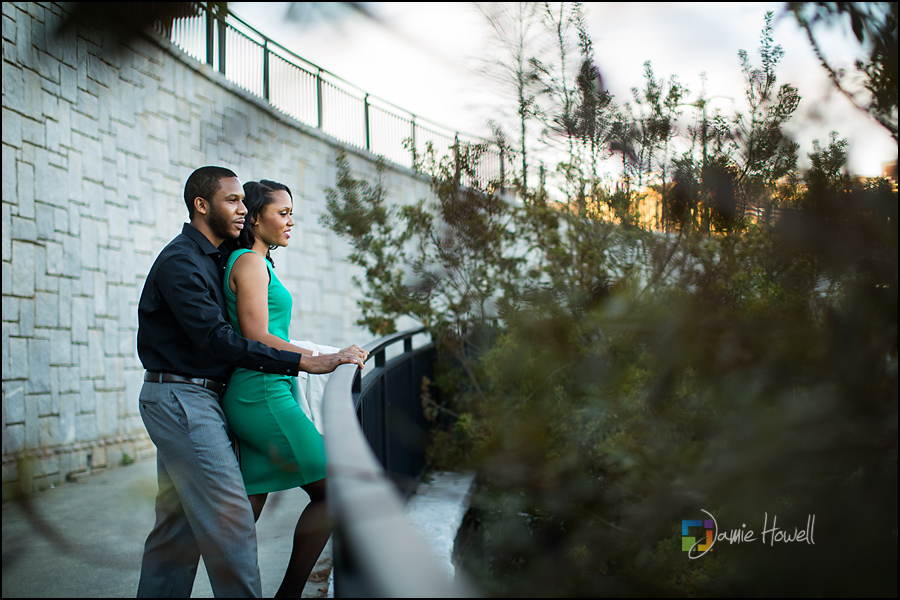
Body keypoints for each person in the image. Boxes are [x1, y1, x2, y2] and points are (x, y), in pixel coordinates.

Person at [136, 166, 366, 598]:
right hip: (183, 397)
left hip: (198, 395)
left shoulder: (217, 257)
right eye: (232, 201)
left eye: (244, 200)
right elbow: (222, 339)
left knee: (177, 531)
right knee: (233, 519)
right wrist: (303, 361)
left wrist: (301, 355)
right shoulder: (182, 262)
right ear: (201, 206)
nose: (242, 209)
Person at [218, 179, 340, 598]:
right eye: (282, 213)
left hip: (267, 390)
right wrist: (318, 359)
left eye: (291, 213)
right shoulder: (249, 263)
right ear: (254, 218)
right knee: (334, 492)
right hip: (263, 393)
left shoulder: (259, 262)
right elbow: (256, 334)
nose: (291, 221)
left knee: (244, 509)